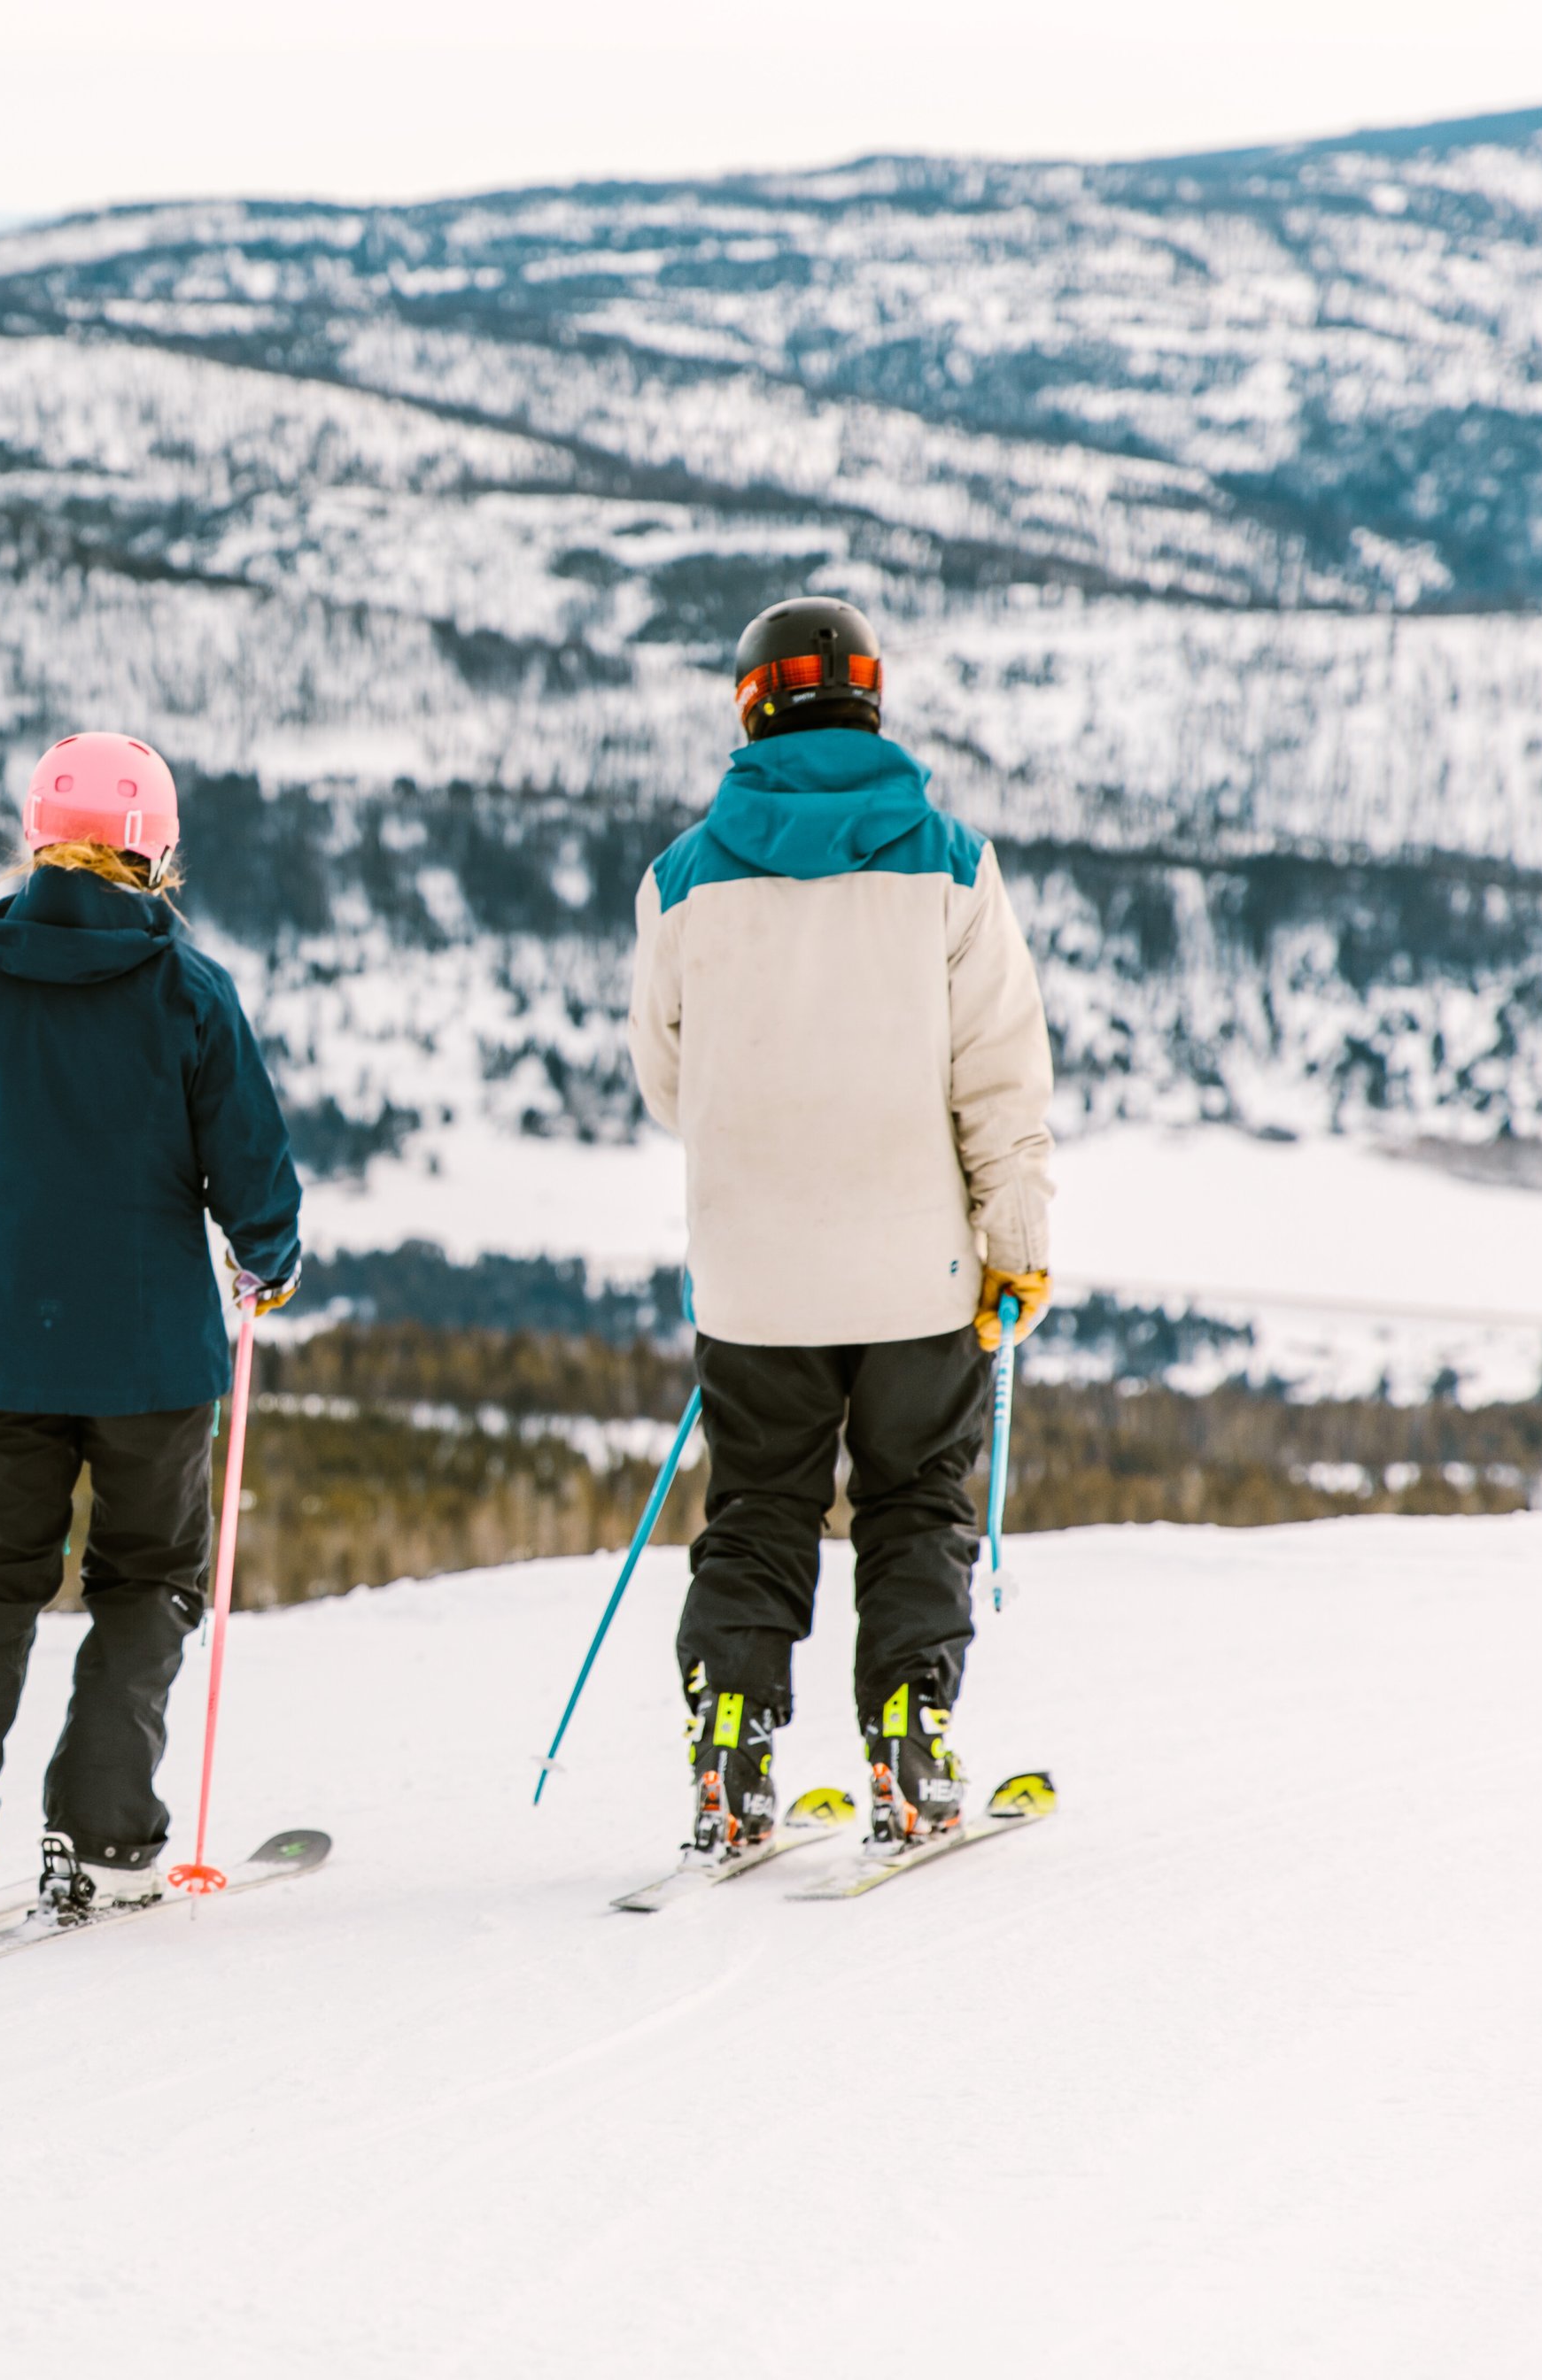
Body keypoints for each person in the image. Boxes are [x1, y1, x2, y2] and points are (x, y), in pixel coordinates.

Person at [624, 598, 1055, 1858]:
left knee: (758, 1504)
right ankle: (911, 1733)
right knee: (916, 1497)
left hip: (754, 1276)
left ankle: (732, 1746)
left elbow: (667, 1080)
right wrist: (1015, 1242)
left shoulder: (682, 878)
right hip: (920, 1271)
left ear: (749, 705)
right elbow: (1001, 1078)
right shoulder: (952, 865)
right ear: (871, 699)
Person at [0, 730, 304, 1931]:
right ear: (153, 848)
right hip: (150, 1362)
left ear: (40, 836)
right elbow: (255, 1182)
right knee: (147, 1580)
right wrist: (269, 1264)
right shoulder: (189, 993)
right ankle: (107, 1839)